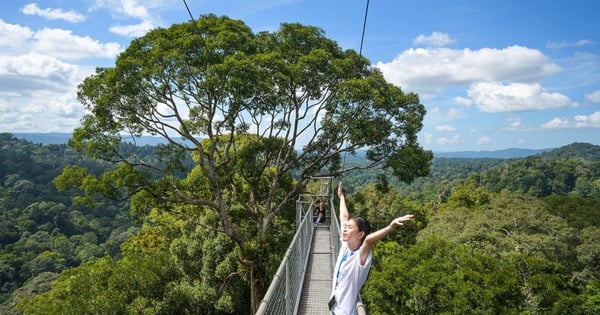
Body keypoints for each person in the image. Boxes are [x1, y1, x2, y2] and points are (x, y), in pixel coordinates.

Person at [329, 182, 413, 314]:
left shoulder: (360, 257)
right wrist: (341, 197)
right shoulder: (346, 245)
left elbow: (368, 241)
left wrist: (391, 227)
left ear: (360, 234)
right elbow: (344, 217)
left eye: (349, 227)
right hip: (335, 309)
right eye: (345, 227)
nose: (344, 228)